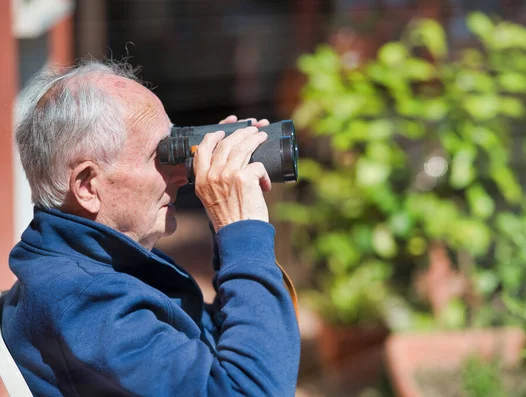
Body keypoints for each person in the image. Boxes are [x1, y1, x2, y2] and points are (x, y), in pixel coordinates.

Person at [0, 60, 301, 396]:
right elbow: (250, 390)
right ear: (87, 185)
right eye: (159, 157)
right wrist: (243, 233)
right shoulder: (88, 306)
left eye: (175, 146)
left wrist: (228, 221)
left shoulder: (90, 269)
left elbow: (211, 355)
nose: (180, 175)